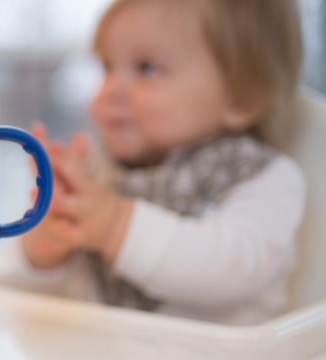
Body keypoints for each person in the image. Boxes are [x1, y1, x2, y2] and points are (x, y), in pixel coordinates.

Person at [20, 0, 306, 325]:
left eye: (148, 68)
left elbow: (233, 272)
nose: (110, 90)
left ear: (241, 97)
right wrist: (48, 244)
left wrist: (115, 224)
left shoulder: (260, 176)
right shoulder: (98, 170)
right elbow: (52, 295)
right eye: (107, 67)